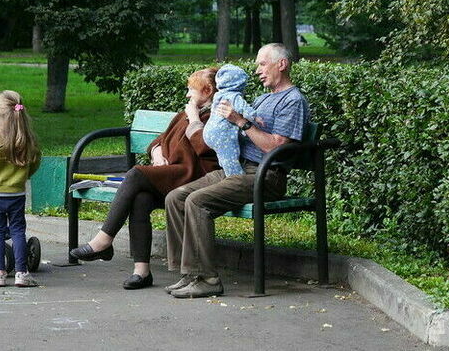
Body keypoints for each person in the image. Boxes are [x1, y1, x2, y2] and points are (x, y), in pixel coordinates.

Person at [164, 43, 309, 298]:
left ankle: (208, 280)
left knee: (198, 202)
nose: (257, 71)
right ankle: (190, 273)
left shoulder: (292, 101)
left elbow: (276, 147)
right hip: (239, 170)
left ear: (282, 64)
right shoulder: (263, 98)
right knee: (175, 198)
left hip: (265, 175)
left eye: (262, 64)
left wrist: (240, 122)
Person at [69, 68, 221, 289]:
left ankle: (103, 240)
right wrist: (157, 153)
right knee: (140, 198)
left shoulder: (212, 117)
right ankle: (142, 272)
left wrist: (194, 119)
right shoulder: (186, 113)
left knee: (136, 173)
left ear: (207, 91)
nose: (188, 95)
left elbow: (205, 151)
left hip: (192, 176)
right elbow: (159, 140)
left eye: (192, 90)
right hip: (171, 173)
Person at [0, 90, 42, 288]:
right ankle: (21, 273)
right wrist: (24, 175)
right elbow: (36, 160)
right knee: (18, 230)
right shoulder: (26, 136)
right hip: (17, 192)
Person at [203, 64, 258, 177]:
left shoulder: (219, 94)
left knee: (224, 155)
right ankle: (236, 176)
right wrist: (255, 116)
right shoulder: (233, 96)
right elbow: (243, 107)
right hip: (223, 133)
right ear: (238, 83)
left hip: (209, 131)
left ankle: (225, 168)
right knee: (231, 155)